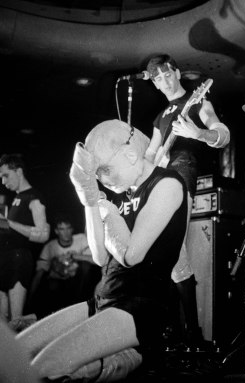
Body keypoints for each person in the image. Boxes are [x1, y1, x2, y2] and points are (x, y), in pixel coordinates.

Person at [16, 119, 187, 381]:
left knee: (44, 368)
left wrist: (107, 212)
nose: (103, 181)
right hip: (103, 298)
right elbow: (99, 257)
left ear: (130, 154)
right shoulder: (123, 193)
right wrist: (90, 201)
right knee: (17, 354)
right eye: (96, 176)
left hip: (139, 304)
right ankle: (114, 362)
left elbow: (131, 255)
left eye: (104, 170)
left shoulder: (167, 184)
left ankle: (127, 358)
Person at [144, 54, 230, 346]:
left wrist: (198, 133)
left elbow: (223, 135)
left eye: (167, 74)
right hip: (161, 178)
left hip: (183, 172)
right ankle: (186, 333)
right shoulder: (160, 117)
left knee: (172, 247)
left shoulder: (197, 101)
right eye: (157, 79)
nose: (164, 81)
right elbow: (149, 156)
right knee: (172, 254)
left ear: (177, 72)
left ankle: (191, 334)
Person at [0, 153, 50, 327]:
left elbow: (43, 234)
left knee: (14, 323)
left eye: (6, 175)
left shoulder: (34, 197)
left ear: (19, 171)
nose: (3, 182)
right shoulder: (16, 198)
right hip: (4, 261)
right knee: (3, 326)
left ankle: (40, 322)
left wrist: (9, 223)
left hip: (19, 261)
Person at [28, 212, 101, 318]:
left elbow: (97, 260)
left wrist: (76, 257)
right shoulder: (50, 247)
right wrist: (30, 298)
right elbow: (39, 274)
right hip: (59, 283)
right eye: (62, 229)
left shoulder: (81, 238)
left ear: (72, 229)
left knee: (86, 266)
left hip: (79, 283)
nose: (66, 232)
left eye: (68, 228)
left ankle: (80, 308)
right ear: (56, 231)